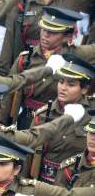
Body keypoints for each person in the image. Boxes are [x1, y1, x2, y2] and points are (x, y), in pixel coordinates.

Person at [0, 6, 95, 127]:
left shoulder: (75, 55)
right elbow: (9, 94)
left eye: (54, 32)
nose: (46, 34)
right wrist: (1, 125)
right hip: (26, 121)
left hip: (58, 124)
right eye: (43, 29)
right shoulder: (26, 59)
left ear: (67, 36)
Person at [0, 0, 95, 76]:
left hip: (61, 61)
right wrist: (4, 73)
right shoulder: (23, 0)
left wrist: (87, 12)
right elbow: (10, 38)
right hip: (30, 60)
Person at [29, 53, 95, 183]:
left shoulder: (91, 112)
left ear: (85, 89)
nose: (63, 88)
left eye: (71, 84)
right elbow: (29, 155)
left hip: (76, 185)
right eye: (60, 82)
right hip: (44, 182)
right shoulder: (43, 115)